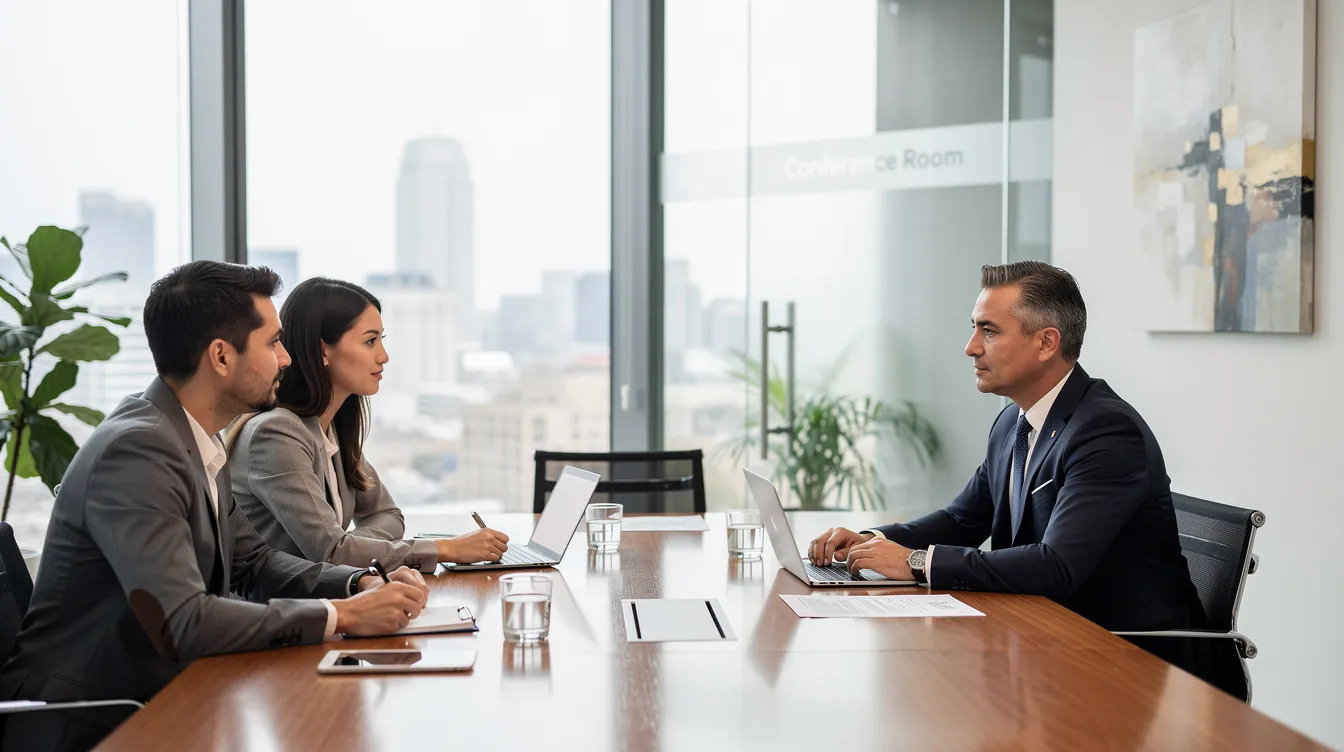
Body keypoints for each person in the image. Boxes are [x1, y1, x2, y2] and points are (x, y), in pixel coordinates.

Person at [0, 262, 431, 752]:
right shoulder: (137, 451)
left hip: (165, 697)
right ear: (222, 356)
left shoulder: (194, 438)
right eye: (273, 343)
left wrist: (357, 583)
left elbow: (254, 562)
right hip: (88, 723)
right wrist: (342, 616)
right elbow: (183, 620)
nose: (287, 358)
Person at [807, 261, 1245, 698]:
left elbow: (1057, 566)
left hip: (1136, 662)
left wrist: (917, 562)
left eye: (989, 331)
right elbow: (962, 520)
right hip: (1051, 639)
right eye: (975, 329)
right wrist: (872, 541)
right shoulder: (1011, 424)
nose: (971, 348)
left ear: (1046, 343)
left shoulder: (1107, 432)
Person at [228, 277, 509, 571]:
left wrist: (354, 548)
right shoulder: (276, 434)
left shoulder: (330, 428)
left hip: (333, 592)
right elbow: (332, 552)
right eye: (370, 341)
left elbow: (388, 515)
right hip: (282, 600)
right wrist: (445, 549)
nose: (383, 356)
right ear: (323, 351)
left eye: (381, 340)